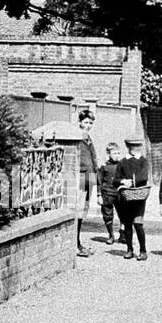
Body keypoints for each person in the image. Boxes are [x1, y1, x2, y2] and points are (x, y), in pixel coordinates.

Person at [115, 137, 151, 261]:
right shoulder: (122, 162)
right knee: (127, 224)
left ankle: (143, 250)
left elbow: (143, 176)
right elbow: (115, 180)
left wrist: (132, 182)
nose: (134, 150)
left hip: (139, 198)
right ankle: (129, 249)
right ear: (128, 147)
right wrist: (122, 181)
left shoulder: (143, 161)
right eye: (131, 147)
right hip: (126, 198)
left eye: (136, 147)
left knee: (138, 224)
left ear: (140, 147)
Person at [74, 109, 99, 257]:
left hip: (88, 178)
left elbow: (93, 159)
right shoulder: (77, 137)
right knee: (78, 211)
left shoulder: (88, 138)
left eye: (90, 123)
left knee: (83, 212)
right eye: (85, 122)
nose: (88, 125)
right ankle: (75, 244)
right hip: (81, 177)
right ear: (80, 122)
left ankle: (78, 243)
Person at [96, 142, 123, 245]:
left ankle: (123, 234)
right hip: (107, 194)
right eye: (114, 153)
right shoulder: (104, 167)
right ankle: (111, 235)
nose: (117, 155)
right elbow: (99, 182)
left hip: (120, 194)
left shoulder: (122, 166)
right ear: (108, 154)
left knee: (123, 215)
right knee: (108, 215)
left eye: (118, 153)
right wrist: (99, 195)